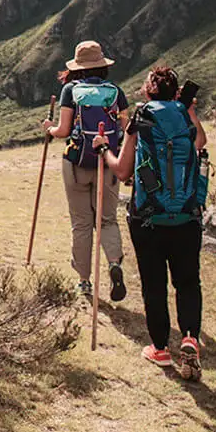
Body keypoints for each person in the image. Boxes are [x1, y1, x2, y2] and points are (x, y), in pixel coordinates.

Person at [104, 66, 210, 378]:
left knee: (155, 285)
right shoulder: (183, 115)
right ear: (175, 92)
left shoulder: (141, 118)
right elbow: (200, 143)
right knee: (188, 281)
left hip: (148, 217)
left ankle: (160, 349)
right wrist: (188, 110)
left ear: (149, 92)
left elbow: (123, 171)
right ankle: (190, 337)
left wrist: (103, 152)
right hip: (187, 217)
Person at [41, 41, 130, 303]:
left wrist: (49, 128)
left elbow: (64, 131)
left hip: (76, 163)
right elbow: (125, 129)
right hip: (108, 162)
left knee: (81, 223)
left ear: (78, 67)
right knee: (108, 220)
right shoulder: (116, 92)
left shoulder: (71, 90)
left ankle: (84, 282)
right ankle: (114, 263)